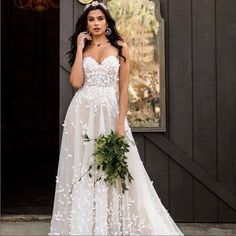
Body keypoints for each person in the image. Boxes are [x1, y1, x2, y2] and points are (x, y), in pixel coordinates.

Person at [48, 1, 184, 235]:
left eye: (100, 19)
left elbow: (123, 89)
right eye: (91, 20)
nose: (96, 23)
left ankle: (111, 224)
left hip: (109, 112)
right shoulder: (85, 46)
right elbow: (76, 82)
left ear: (107, 21)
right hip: (81, 114)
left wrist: (120, 121)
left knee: (113, 167)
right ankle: (85, 226)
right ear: (86, 24)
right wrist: (80, 48)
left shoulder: (120, 47)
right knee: (83, 166)